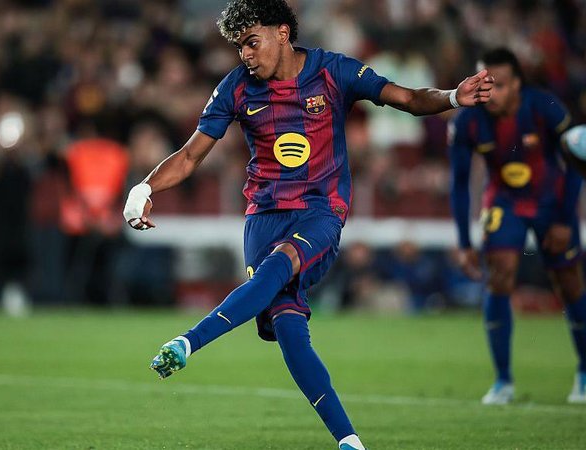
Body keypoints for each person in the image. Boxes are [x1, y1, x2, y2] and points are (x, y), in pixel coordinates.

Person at [123, 1, 493, 448]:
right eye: (239, 47)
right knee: (288, 328)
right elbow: (189, 156)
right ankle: (350, 442)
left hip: (320, 211)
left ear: (282, 33)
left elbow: (409, 99)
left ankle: (188, 343)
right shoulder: (235, 89)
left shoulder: (333, 72)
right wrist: (143, 189)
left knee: (280, 266)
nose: (245, 54)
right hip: (262, 217)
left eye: (251, 42)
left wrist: (454, 97)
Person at [449, 48, 586, 405]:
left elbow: (575, 161)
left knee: (569, 282)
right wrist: (464, 242)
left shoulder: (545, 108)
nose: (490, 94)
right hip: (504, 200)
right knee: (500, 274)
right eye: (484, 85)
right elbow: (459, 183)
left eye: (500, 86)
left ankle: (585, 372)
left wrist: (564, 219)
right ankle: (503, 381)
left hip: (550, 200)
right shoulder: (467, 121)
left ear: (518, 86)